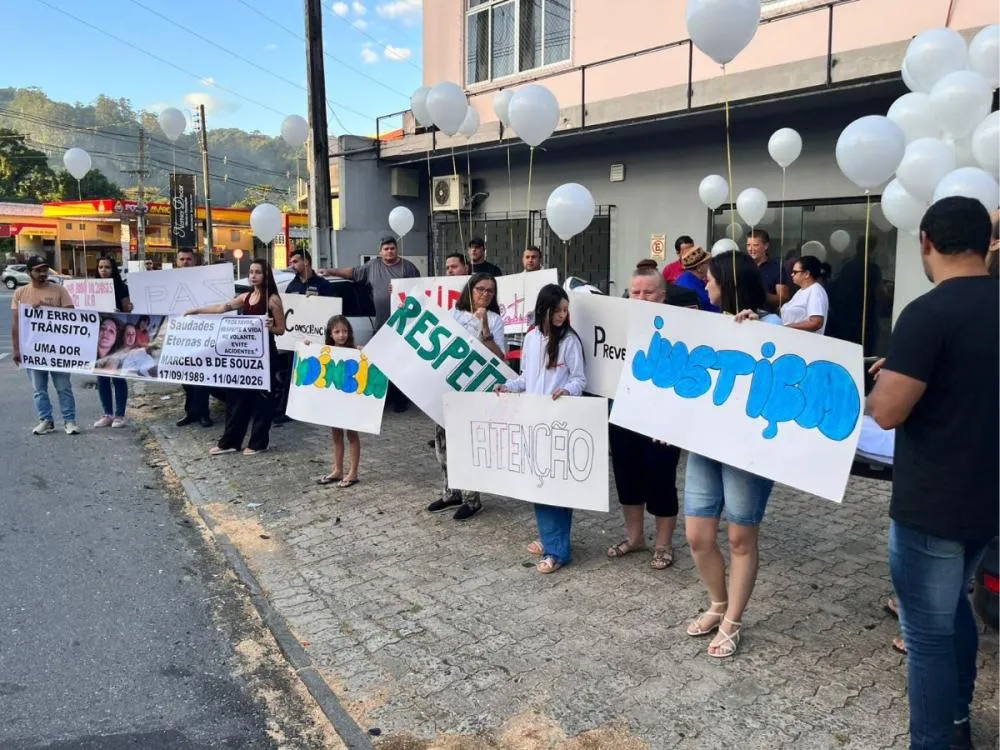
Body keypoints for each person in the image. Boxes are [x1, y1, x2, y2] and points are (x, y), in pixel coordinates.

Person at [866, 196, 998, 750]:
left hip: (932, 505)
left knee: (925, 635)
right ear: (986, 243)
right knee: (955, 613)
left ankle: (935, 740)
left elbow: (889, 411)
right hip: (987, 499)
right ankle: (959, 718)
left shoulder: (927, 313)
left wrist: (881, 386)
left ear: (925, 241)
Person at [684, 251, 779, 658]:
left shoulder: (773, 324)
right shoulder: (713, 324)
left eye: (711, 280)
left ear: (731, 282)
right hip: (707, 444)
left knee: (741, 536)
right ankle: (717, 602)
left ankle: (733, 619)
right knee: (697, 536)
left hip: (747, 452)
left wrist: (764, 335)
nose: (706, 286)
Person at [496, 284, 586, 573]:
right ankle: (551, 539)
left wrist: (567, 391)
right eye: (557, 310)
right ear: (543, 309)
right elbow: (526, 377)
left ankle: (557, 551)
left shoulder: (570, 341)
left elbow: (580, 379)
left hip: (559, 421)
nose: (562, 315)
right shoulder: (532, 338)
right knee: (540, 485)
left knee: (553, 486)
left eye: (565, 310)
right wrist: (507, 387)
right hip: (533, 420)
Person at [607, 268, 681, 570]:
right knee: (627, 479)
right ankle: (635, 538)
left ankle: (663, 545)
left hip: (663, 423)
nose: (641, 297)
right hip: (624, 415)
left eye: (648, 292)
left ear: (662, 296)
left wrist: (670, 421)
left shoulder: (681, 329)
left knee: (661, 481)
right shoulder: (616, 324)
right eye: (635, 292)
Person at [427, 272, 506, 521]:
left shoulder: (495, 320)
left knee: (467, 443)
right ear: (470, 290)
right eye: (480, 289)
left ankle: (473, 499)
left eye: (490, 291)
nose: (485, 294)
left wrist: (484, 326)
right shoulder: (455, 313)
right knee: (443, 442)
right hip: (448, 385)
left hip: (475, 388)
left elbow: (500, 356)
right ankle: (452, 491)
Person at [186, 258, 286, 456]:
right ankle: (230, 442)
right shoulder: (245, 297)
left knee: (263, 400)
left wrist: (270, 326)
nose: (253, 276)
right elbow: (222, 308)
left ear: (265, 275)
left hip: (265, 356)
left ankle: (259, 442)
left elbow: (281, 329)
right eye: (251, 272)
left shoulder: (272, 299)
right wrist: (196, 310)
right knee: (237, 398)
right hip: (244, 359)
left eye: (258, 272)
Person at [320, 236, 421, 412]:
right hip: (382, 325)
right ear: (380, 251)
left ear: (397, 249)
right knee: (380, 363)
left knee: (400, 364)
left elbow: (420, 290)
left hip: (405, 325)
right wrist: (330, 271)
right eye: (386, 248)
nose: (389, 251)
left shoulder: (408, 267)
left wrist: (403, 290)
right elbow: (352, 273)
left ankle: (400, 400)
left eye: (392, 248)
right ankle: (383, 397)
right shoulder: (373, 266)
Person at [10, 255, 79, 435]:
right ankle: (45, 420)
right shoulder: (20, 293)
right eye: (38, 270)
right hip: (32, 349)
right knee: (38, 389)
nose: (43, 274)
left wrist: (48, 310)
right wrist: (16, 349)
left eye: (45, 270)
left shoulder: (59, 291)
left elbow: (71, 316)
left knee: (63, 387)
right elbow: (16, 323)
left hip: (58, 350)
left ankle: (69, 421)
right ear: (29, 272)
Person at [275, 249, 338, 424]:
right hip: (295, 339)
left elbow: (332, 311)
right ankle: (286, 410)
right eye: (291, 262)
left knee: (317, 373)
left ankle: (317, 409)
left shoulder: (323, 284)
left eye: (295, 261)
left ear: (307, 262)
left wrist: (317, 301)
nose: (292, 265)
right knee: (292, 375)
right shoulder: (292, 285)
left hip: (316, 340)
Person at [316, 315, 363, 488]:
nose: (341, 335)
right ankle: (338, 470)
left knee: (352, 435)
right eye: (337, 331)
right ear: (330, 334)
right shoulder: (326, 352)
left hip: (350, 401)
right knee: (336, 435)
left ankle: (353, 472)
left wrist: (362, 352)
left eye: (344, 331)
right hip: (334, 402)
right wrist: (307, 347)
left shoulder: (355, 351)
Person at [174, 248, 213, 428]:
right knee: (186, 377)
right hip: (180, 337)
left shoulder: (205, 281)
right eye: (181, 259)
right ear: (177, 262)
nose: (185, 262)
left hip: (202, 334)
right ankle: (190, 412)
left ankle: (203, 413)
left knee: (202, 378)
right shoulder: (170, 283)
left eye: (188, 259)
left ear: (195, 261)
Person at [94, 255, 132, 428]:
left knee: (117, 376)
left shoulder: (122, 288)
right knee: (101, 377)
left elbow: (128, 310)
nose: (103, 270)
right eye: (101, 267)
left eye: (107, 267)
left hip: (116, 337)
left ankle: (120, 415)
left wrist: (120, 311)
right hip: (97, 337)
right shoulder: (91, 287)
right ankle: (107, 414)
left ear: (113, 269)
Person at [781, 255, 829, 334]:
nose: (792, 274)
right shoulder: (801, 291)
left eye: (795, 272)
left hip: (806, 342)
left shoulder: (815, 291)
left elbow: (816, 322)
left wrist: (788, 327)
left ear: (806, 274)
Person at [746, 229, 784, 310]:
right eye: (748, 245)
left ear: (766, 246)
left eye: (755, 245)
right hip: (741, 316)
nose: (750, 249)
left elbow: (783, 299)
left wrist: (761, 295)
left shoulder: (776, 267)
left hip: (766, 317)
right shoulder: (742, 265)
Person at [674, 245, 719, 312]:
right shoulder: (689, 286)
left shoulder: (690, 279)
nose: (710, 265)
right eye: (708, 263)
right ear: (699, 268)